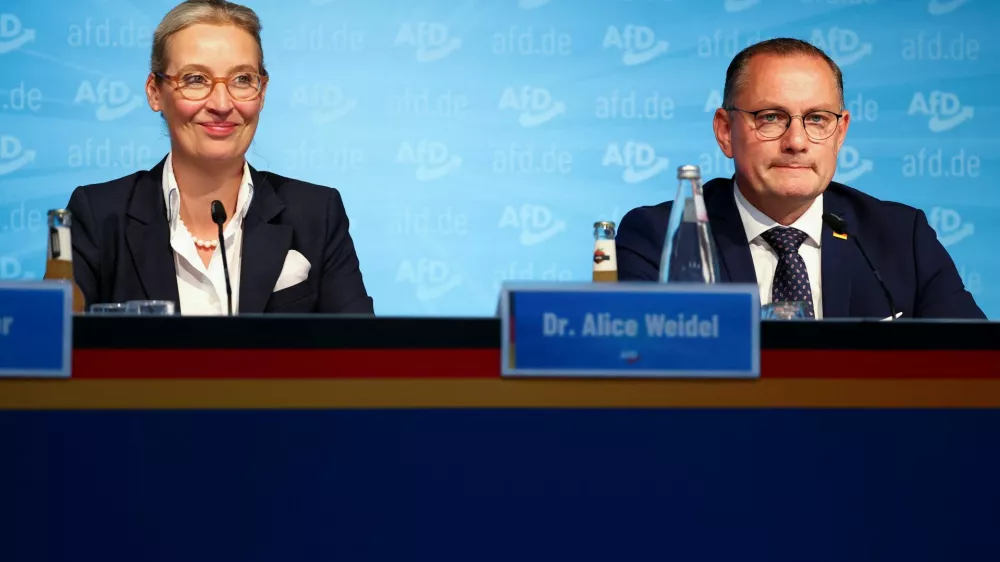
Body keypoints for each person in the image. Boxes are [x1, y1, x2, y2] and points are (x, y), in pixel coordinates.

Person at [616, 38, 985, 320]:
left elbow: (976, 370)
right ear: (726, 131)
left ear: (840, 134)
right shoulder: (663, 237)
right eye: (771, 117)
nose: (796, 142)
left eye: (817, 119)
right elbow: (639, 374)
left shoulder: (902, 237)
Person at [66, 0, 374, 315]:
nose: (222, 104)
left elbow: (362, 356)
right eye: (195, 79)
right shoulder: (99, 215)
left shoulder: (316, 214)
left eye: (242, 79)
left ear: (262, 92)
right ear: (155, 92)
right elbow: (53, 351)